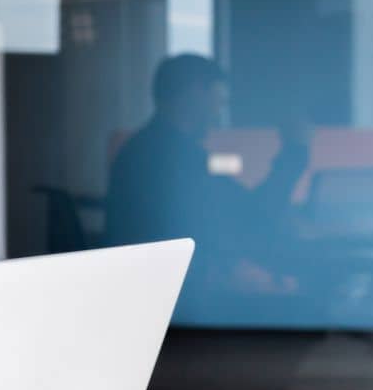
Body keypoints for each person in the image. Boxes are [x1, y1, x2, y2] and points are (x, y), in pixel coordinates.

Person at [105, 54, 308, 300]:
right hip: (182, 295)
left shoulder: (143, 148)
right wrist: (295, 153)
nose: (218, 114)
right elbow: (254, 215)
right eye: (218, 101)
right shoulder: (177, 157)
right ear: (195, 92)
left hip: (156, 288)